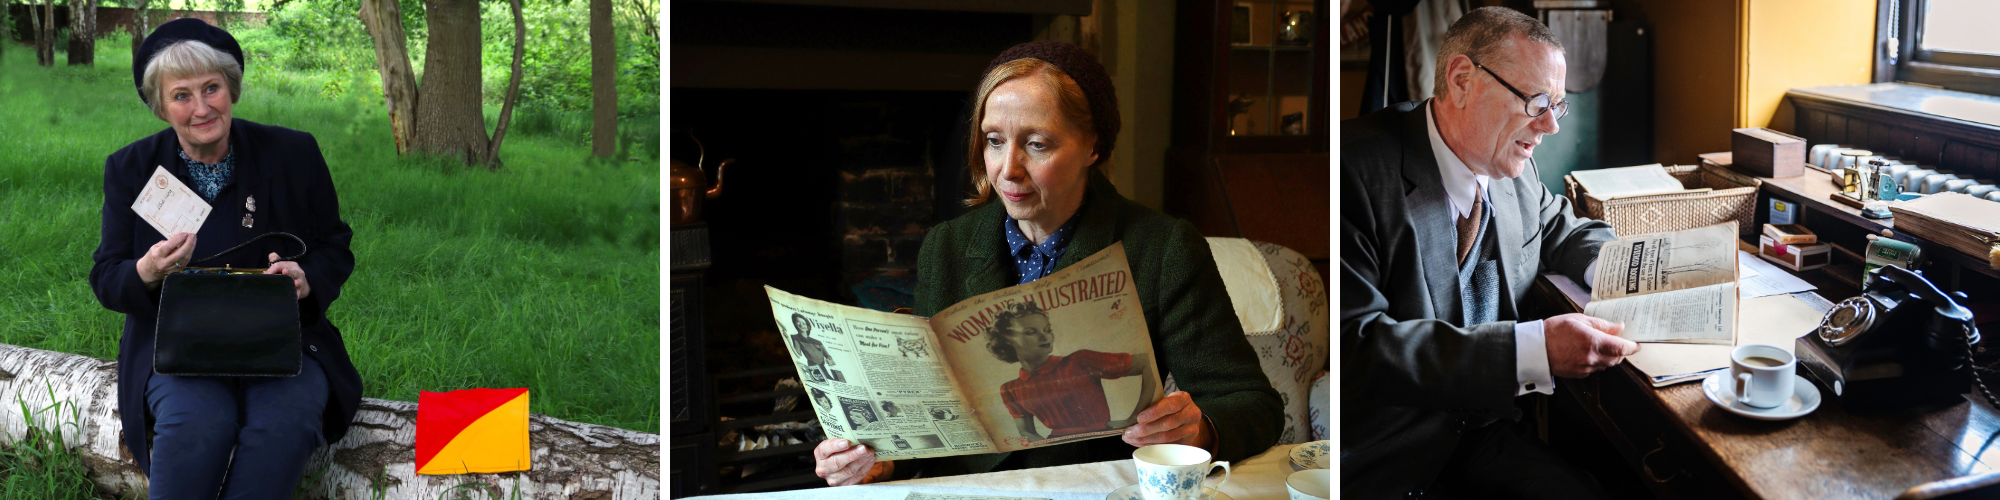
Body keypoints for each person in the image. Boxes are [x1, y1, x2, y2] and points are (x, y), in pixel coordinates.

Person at [813, 40, 1283, 486]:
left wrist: (1197, 431)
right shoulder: (946, 247)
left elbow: (1253, 405)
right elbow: (932, 416)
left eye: (1037, 144)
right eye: (994, 141)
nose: (1007, 169)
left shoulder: (1163, 248)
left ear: (1093, 146)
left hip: (1091, 487)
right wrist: (880, 463)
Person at [1339, 7, 1638, 499]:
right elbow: (1360, 347)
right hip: (1387, 456)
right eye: (1537, 101)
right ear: (1461, 80)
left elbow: (1564, 232)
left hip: (1484, 437)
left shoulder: (1513, 172)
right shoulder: (1354, 171)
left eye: (1556, 105)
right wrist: (1533, 350)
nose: (1550, 127)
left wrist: (1638, 271)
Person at [87, 18, 361, 499]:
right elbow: (107, 276)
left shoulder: (293, 152)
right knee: (198, 423)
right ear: (160, 106)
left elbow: (335, 245)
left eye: (211, 88)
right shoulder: (131, 168)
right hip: (177, 344)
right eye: (182, 95)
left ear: (230, 89)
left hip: (282, 337)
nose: (201, 108)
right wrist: (147, 270)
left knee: (286, 421)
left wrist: (307, 277)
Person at [985, 301, 1155, 440]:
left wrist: (1134, 418)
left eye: (1047, 330)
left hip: (1105, 443)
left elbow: (1147, 363)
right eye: (1031, 332)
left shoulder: (1079, 361)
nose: (1045, 337)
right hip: (1058, 453)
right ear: (1007, 340)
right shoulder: (1010, 389)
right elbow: (1027, 433)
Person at [790, 312, 837, 382]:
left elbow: (828, 356)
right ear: (795, 324)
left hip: (823, 367)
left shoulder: (817, 342)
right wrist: (788, 340)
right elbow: (798, 354)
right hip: (813, 368)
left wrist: (829, 360)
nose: (801, 325)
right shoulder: (795, 338)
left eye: (803, 323)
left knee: (831, 382)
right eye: (798, 322)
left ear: (807, 326)